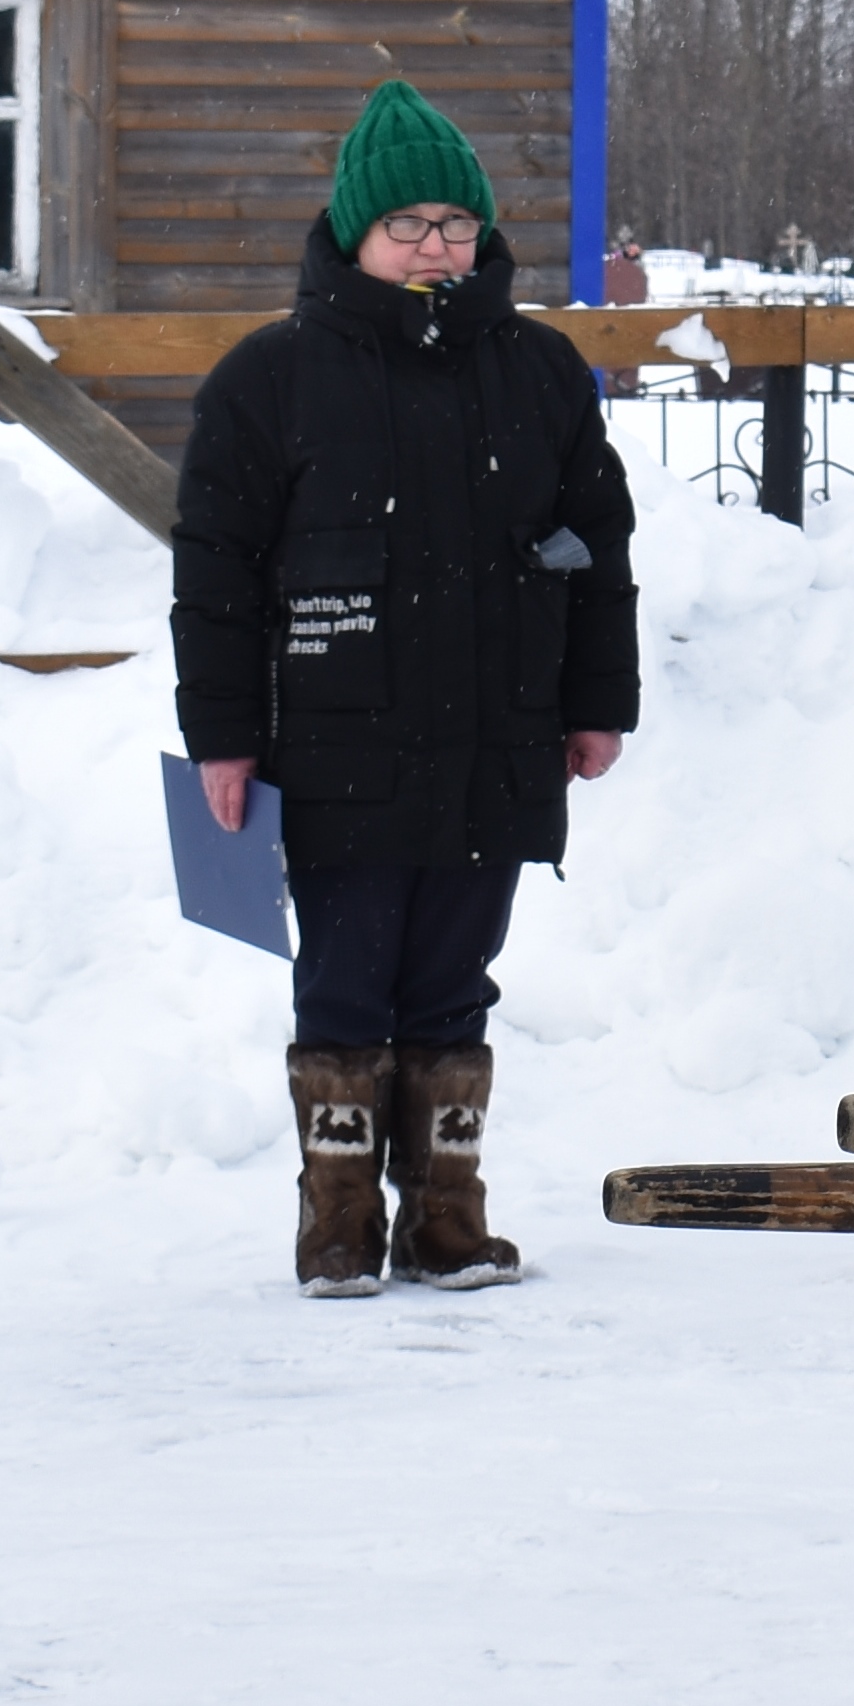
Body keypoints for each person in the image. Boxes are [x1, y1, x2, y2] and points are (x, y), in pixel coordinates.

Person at [172, 78, 639, 1295]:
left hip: (496, 742)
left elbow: (600, 549)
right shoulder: (268, 379)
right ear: (354, 234)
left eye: (454, 222)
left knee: (452, 983)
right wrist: (221, 737)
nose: (435, 246)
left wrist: (597, 703)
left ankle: (446, 1213)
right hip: (335, 759)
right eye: (407, 224)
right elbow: (215, 579)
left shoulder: (539, 371)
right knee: (342, 980)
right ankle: (335, 1220)